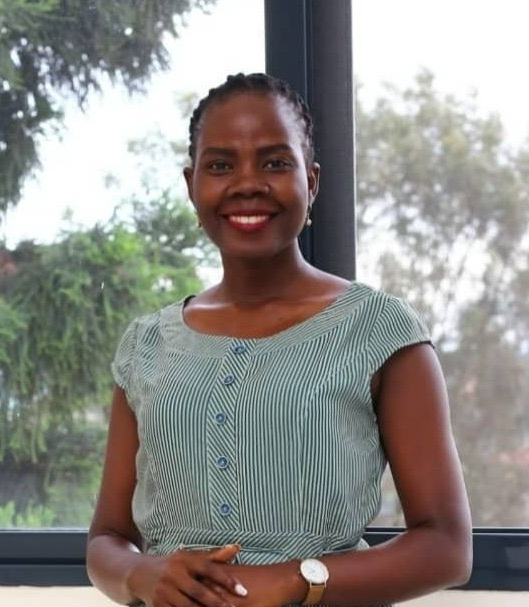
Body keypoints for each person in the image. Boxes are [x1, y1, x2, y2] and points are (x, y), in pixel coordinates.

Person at [87, 73, 471, 607]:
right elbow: (106, 538)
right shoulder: (146, 345)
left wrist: (294, 580)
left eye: (274, 163)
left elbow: (447, 547)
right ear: (191, 185)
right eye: (220, 166)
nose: (247, 183)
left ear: (311, 182)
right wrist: (141, 575)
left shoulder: (381, 330)